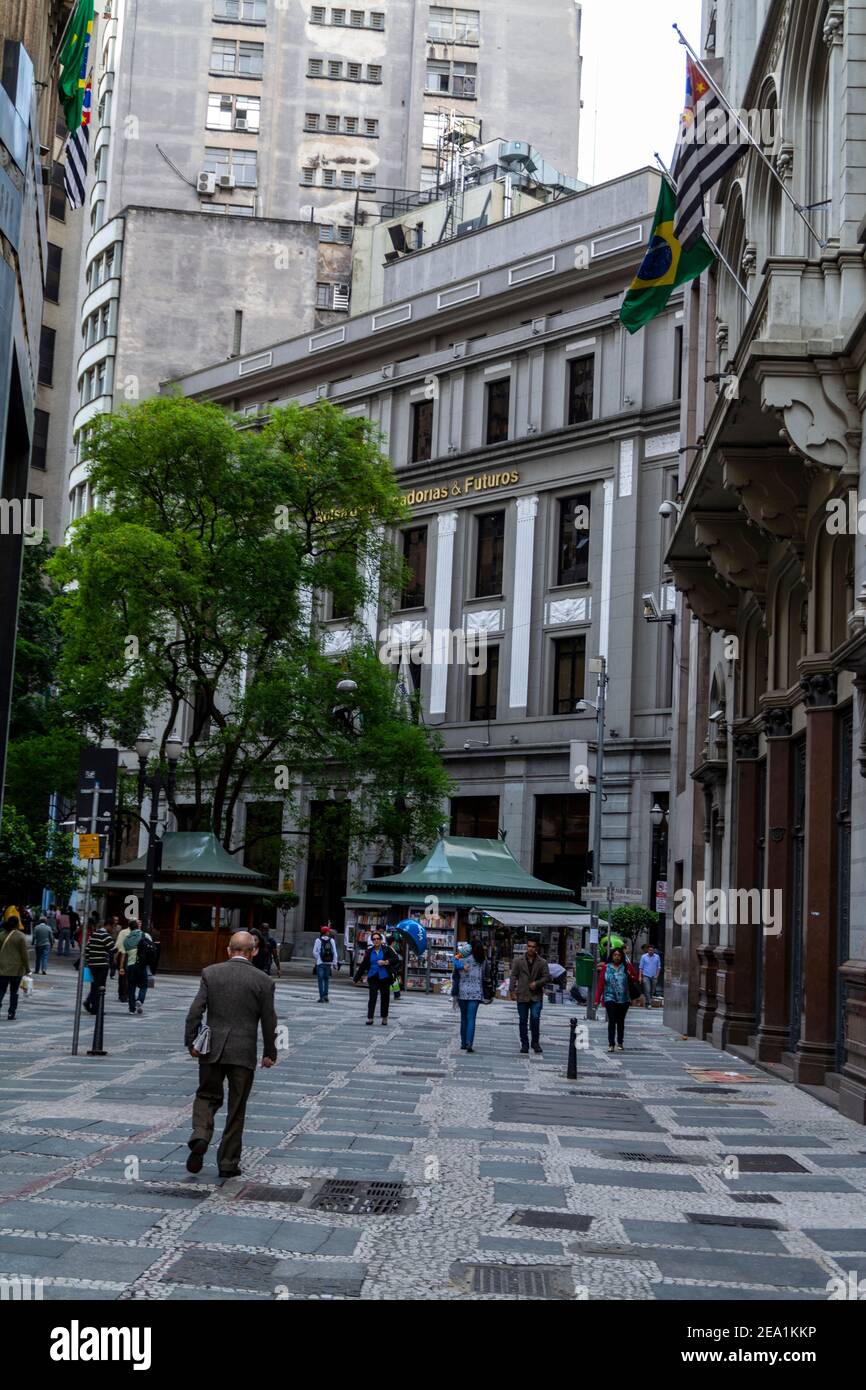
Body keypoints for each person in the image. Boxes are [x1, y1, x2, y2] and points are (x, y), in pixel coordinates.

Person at [184, 929, 278, 1179]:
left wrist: (191, 1041)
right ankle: (227, 1162)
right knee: (237, 1107)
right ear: (254, 951)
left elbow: (195, 1011)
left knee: (206, 1095)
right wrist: (270, 1052)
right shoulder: (263, 981)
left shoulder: (211, 973)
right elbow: (269, 1020)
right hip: (244, 1052)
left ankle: (201, 1135)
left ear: (228, 950)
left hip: (212, 1049)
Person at [509, 938, 551, 1055]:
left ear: (536, 948)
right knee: (523, 1020)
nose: (531, 948)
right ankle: (524, 1044)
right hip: (522, 994)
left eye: (533, 946)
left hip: (536, 996)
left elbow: (547, 977)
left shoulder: (542, 962)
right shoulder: (518, 961)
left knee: (535, 1018)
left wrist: (537, 983)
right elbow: (513, 976)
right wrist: (511, 990)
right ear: (526, 947)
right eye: (529, 946)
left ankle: (535, 1042)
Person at [452, 939, 494, 1053]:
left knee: (463, 1018)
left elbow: (454, 968)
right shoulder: (482, 960)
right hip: (476, 993)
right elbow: (487, 975)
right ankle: (469, 1042)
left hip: (462, 992)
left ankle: (463, 1043)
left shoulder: (461, 958)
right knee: (471, 1019)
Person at [596, 946, 640, 1052]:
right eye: (615, 955)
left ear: (622, 956)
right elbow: (601, 984)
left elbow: (635, 978)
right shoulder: (606, 968)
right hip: (609, 997)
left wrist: (630, 976)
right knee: (611, 1020)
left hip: (624, 999)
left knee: (620, 1021)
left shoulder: (627, 967)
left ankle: (620, 1042)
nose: (617, 957)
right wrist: (597, 1000)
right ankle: (611, 1043)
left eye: (619, 955)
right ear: (612, 956)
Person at [353, 929, 399, 1025]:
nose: (376, 940)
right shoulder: (369, 951)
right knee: (372, 997)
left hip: (385, 977)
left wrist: (385, 962)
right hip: (373, 976)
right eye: (374, 939)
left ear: (381, 940)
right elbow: (363, 965)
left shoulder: (387, 949)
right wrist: (356, 978)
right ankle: (370, 1018)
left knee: (385, 997)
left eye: (378, 938)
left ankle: (384, 1017)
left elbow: (395, 958)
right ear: (372, 941)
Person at [117, 920, 154, 1015]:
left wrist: (121, 967)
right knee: (144, 985)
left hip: (130, 966)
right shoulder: (144, 935)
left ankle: (131, 1009)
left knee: (131, 987)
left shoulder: (126, 939)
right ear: (138, 926)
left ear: (129, 928)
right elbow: (151, 946)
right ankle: (140, 1000)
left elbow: (124, 953)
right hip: (141, 964)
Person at [0, 914, 30, 1020]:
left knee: (1, 990)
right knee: (14, 992)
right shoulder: (20, 936)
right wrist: (27, 968)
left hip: (2, 968)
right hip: (16, 970)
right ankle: (11, 1013)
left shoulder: (1, 935)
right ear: (17, 923)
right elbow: (24, 954)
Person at [83, 920, 115, 1015]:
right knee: (100, 987)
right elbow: (113, 949)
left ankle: (90, 1002)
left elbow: (87, 949)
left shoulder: (94, 934)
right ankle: (96, 1008)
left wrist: (89, 961)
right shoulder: (106, 936)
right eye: (112, 927)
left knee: (94, 986)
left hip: (92, 965)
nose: (112, 929)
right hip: (102, 965)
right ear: (108, 925)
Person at [313, 924, 337, 1002]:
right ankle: (326, 995)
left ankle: (321, 997)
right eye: (328, 931)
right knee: (326, 979)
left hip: (320, 963)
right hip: (328, 963)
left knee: (320, 980)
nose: (329, 932)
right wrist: (334, 963)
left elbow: (314, 952)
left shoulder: (318, 940)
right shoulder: (332, 940)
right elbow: (335, 953)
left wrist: (319, 958)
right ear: (326, 932)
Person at [114, 918, 132, 1002]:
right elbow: (118, 945)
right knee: (125, 976)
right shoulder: (125, 932)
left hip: (127, 955)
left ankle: (123, 993)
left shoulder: (124, 932)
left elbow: (118, 945)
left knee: (125, 976)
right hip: (125, 956)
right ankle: (124, 994)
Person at [639, 943, 662, 1008]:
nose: (650, 951)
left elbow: (659, 967)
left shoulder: (657, 957)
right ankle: (649, 1003)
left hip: (654, 976)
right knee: (647, 989)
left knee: (652, 990)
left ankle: (647, 1001)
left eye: (652, 950)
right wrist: (640, 976)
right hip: (646, 976)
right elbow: (641, 967)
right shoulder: (643, 956)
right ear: (647, 950)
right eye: (649, 950)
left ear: (654, 950)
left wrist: (657, 976)